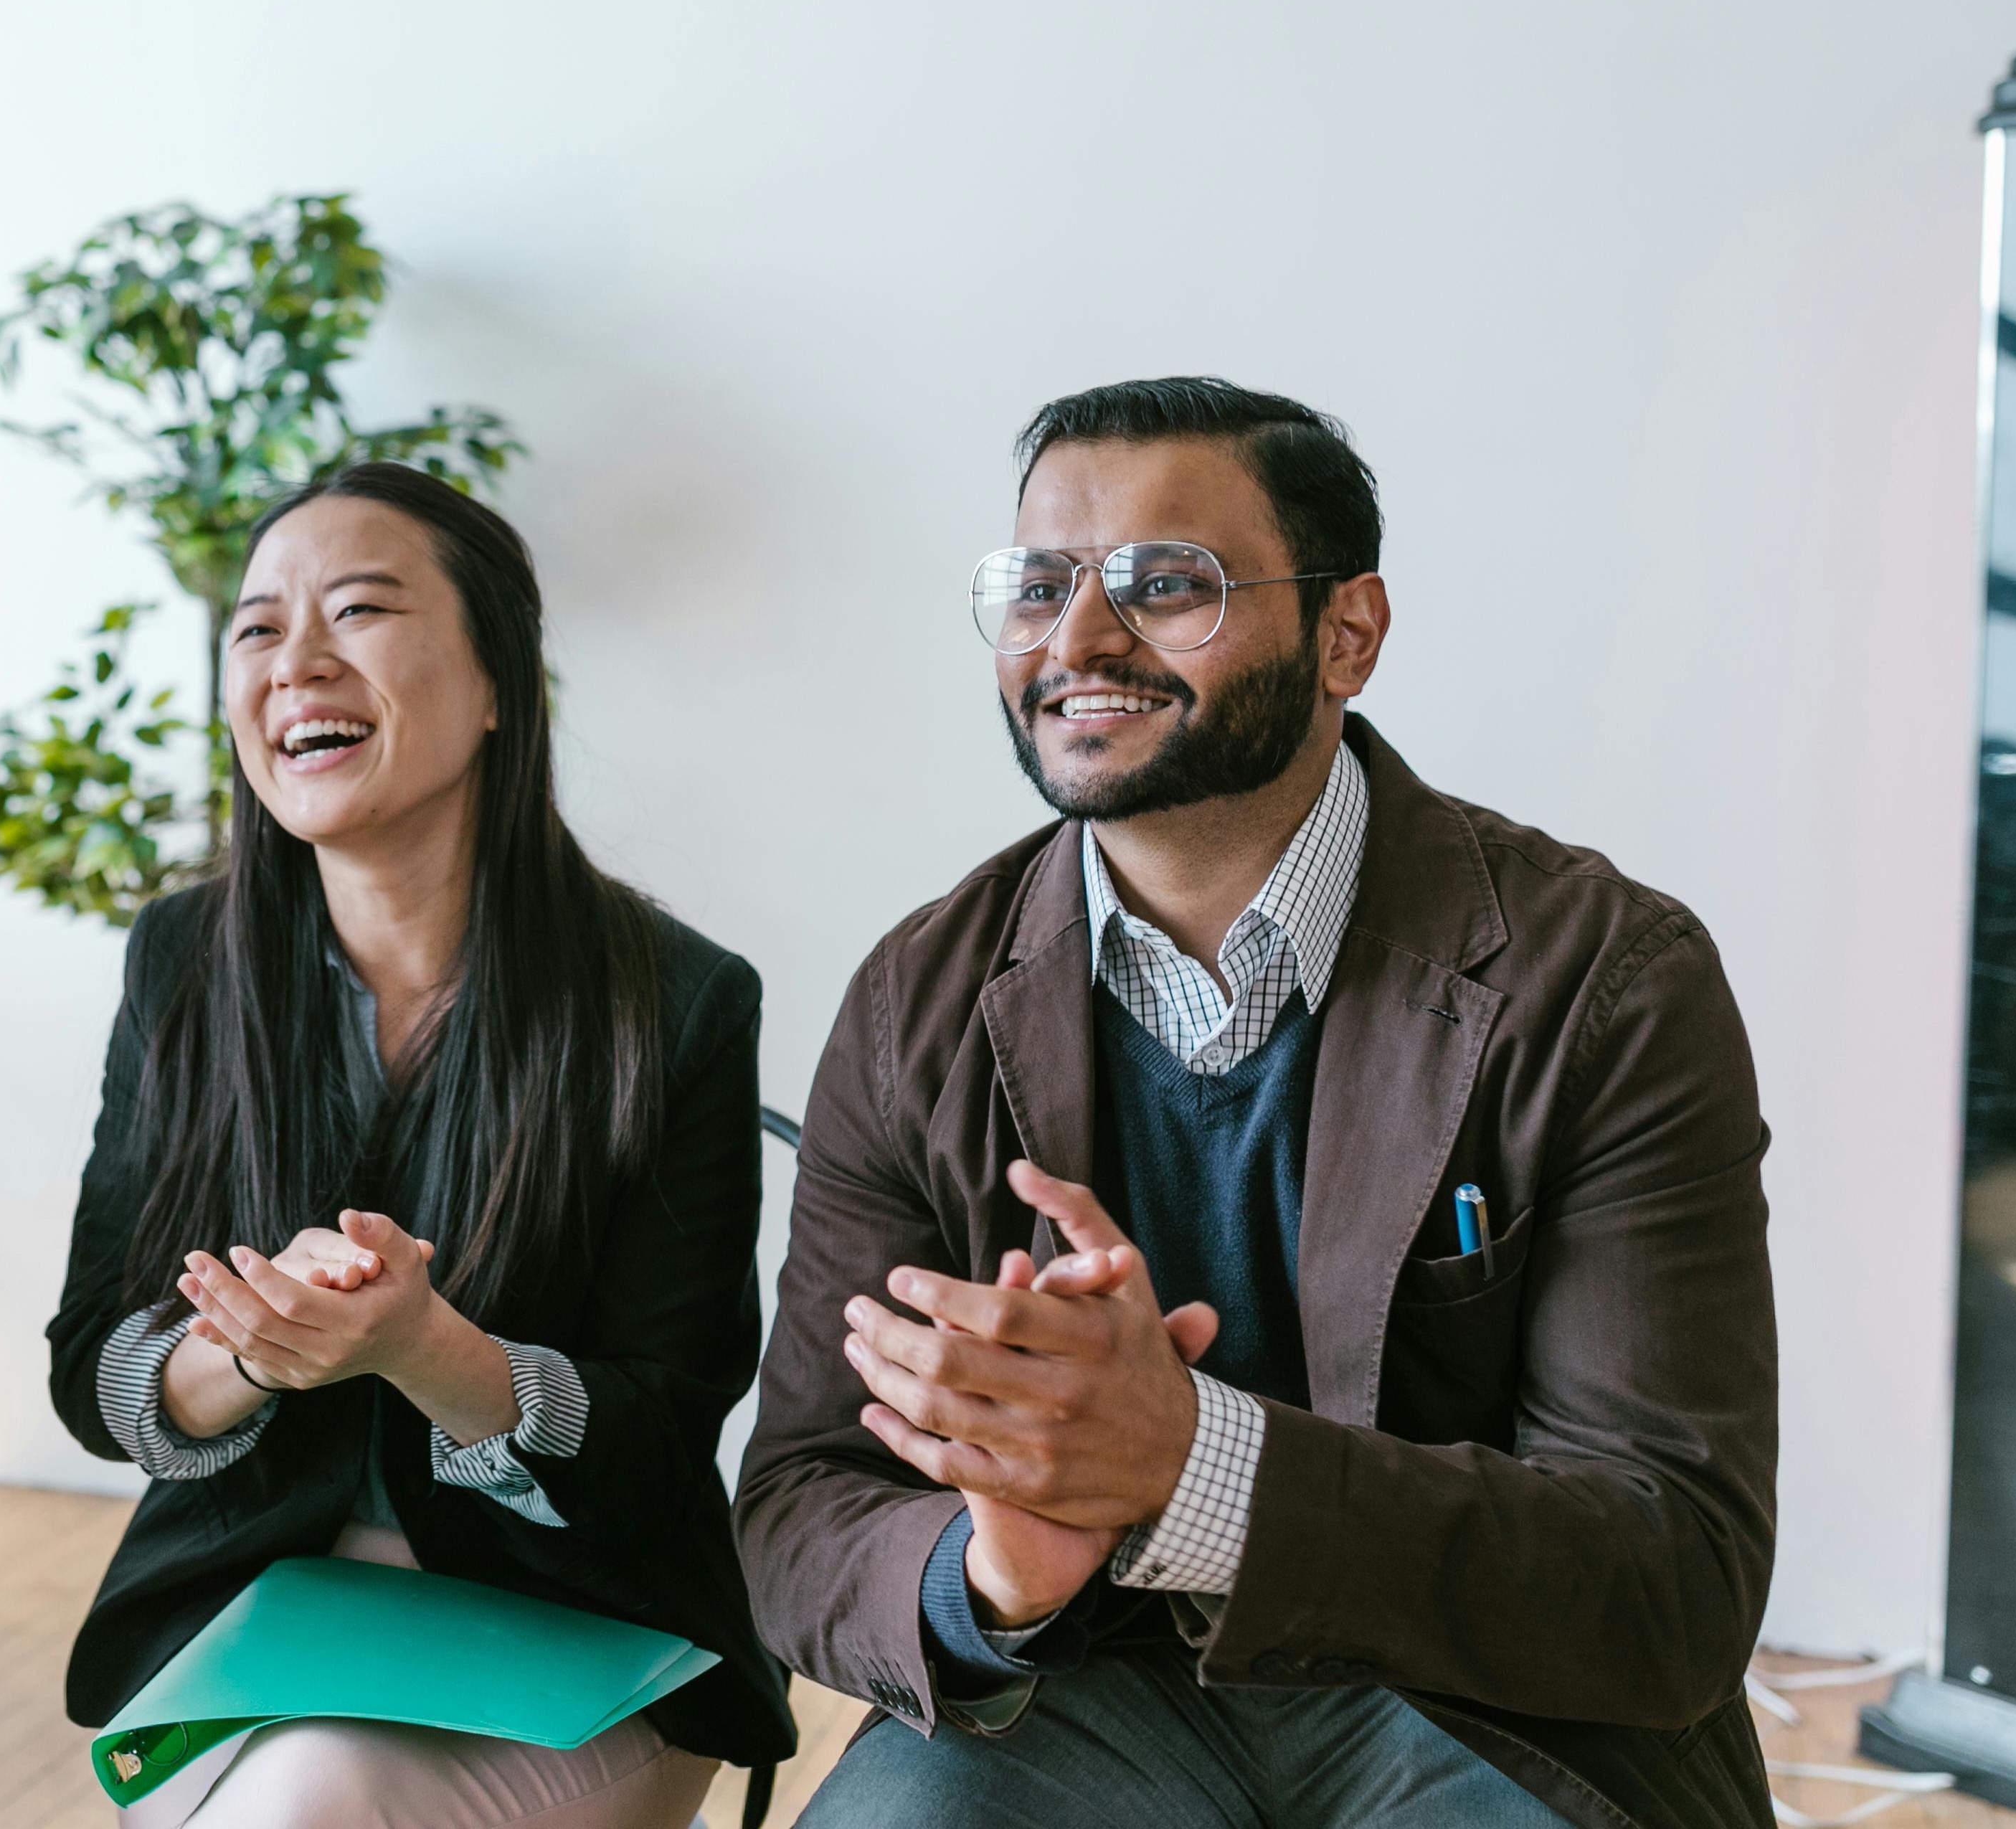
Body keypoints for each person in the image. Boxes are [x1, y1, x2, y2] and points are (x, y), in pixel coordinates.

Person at [737, 378, 1777, 1828]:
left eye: (1165, 584)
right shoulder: (917, 995)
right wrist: (992, 1574)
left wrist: (1189, 1465)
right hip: (1081, 1680)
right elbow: (799, 1503)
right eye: (1036, 586)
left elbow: (1671, 1571)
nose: (1077, 641)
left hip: (1484, 1699)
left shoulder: (1603, 978)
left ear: (1347, 632)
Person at [46, 462, 798, 1828]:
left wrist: (426, 1349)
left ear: (499, 679)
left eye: (358, 610)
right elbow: (92, 1363)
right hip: (250, 1617)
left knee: (307, 1807)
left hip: (581, 1630)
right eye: (257, 627)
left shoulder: (674, 999)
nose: (295, 662)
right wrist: (243, 1354)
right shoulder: (181, 962)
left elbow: (658, 1434)